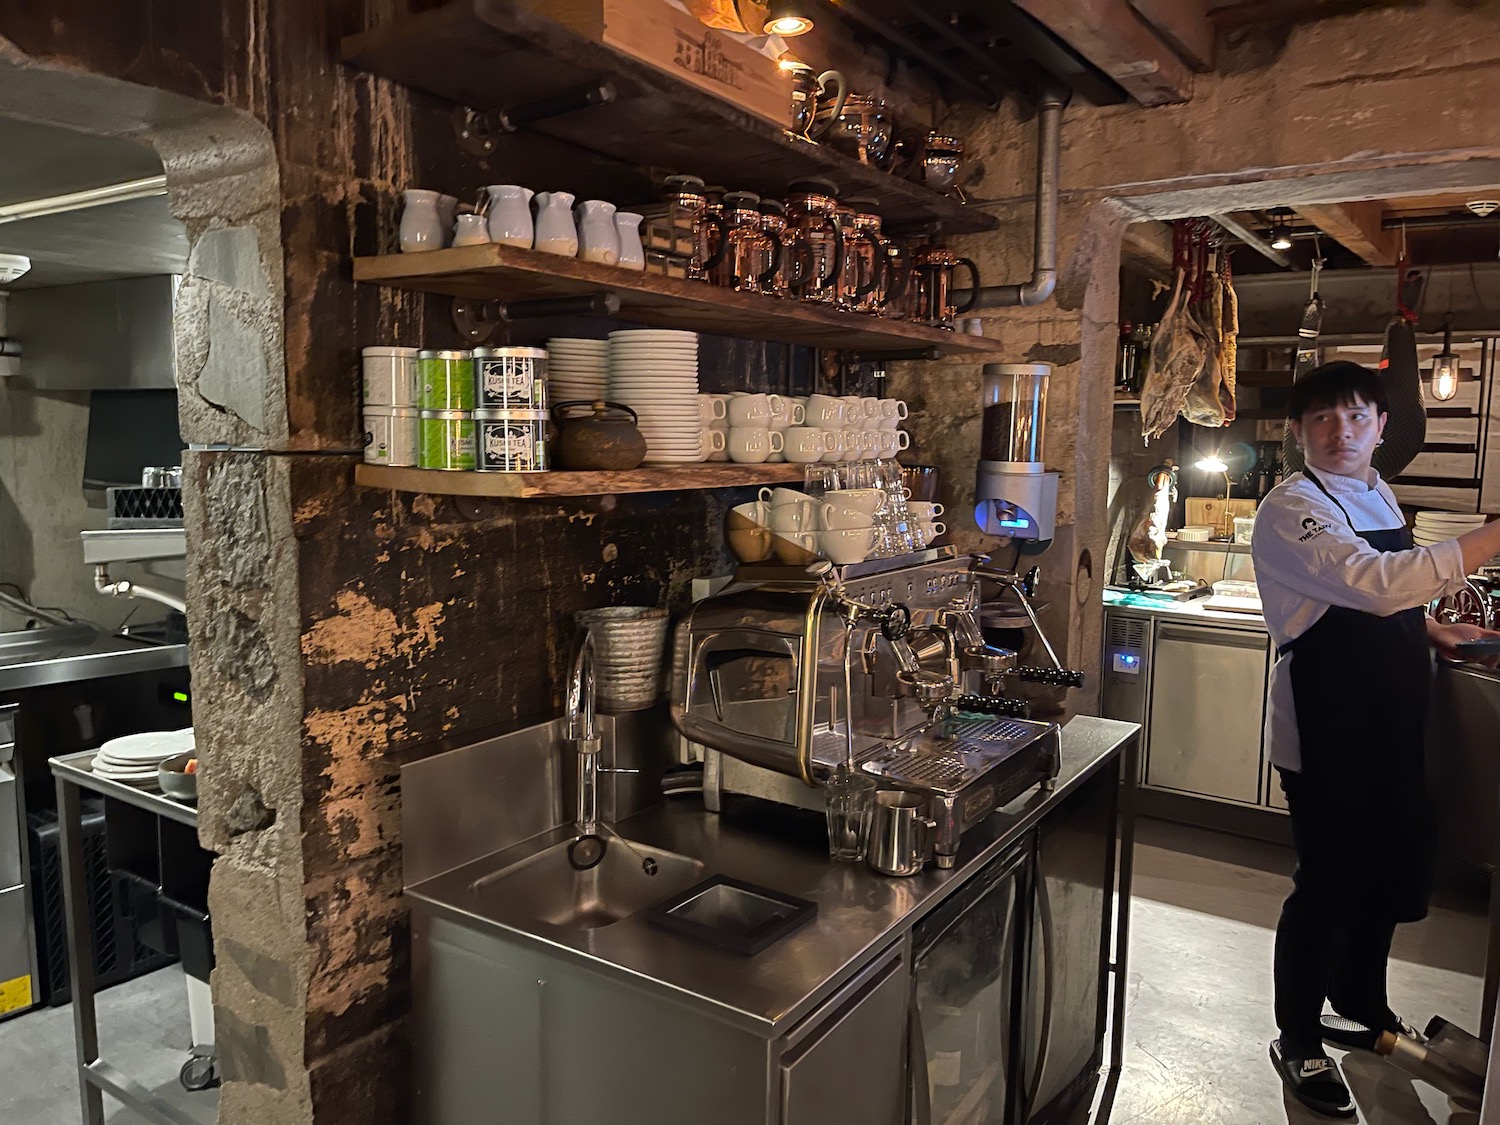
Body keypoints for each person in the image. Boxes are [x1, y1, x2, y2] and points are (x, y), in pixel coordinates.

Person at [1250, 361, 1500, 1118]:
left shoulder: (1377, 492)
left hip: (1394, 716)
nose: (1341, 432)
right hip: (1328, 725)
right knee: (1329, 882)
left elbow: (1386, 595)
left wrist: (1432, 625)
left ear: (1382, 427)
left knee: (1393, 869)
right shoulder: (1290, 506)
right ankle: (1296, 1035)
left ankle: (1362, 1000)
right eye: (1323, 419)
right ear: (1299, 433)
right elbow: (1370, 580)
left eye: (1357, 417)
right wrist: (1491, 536)